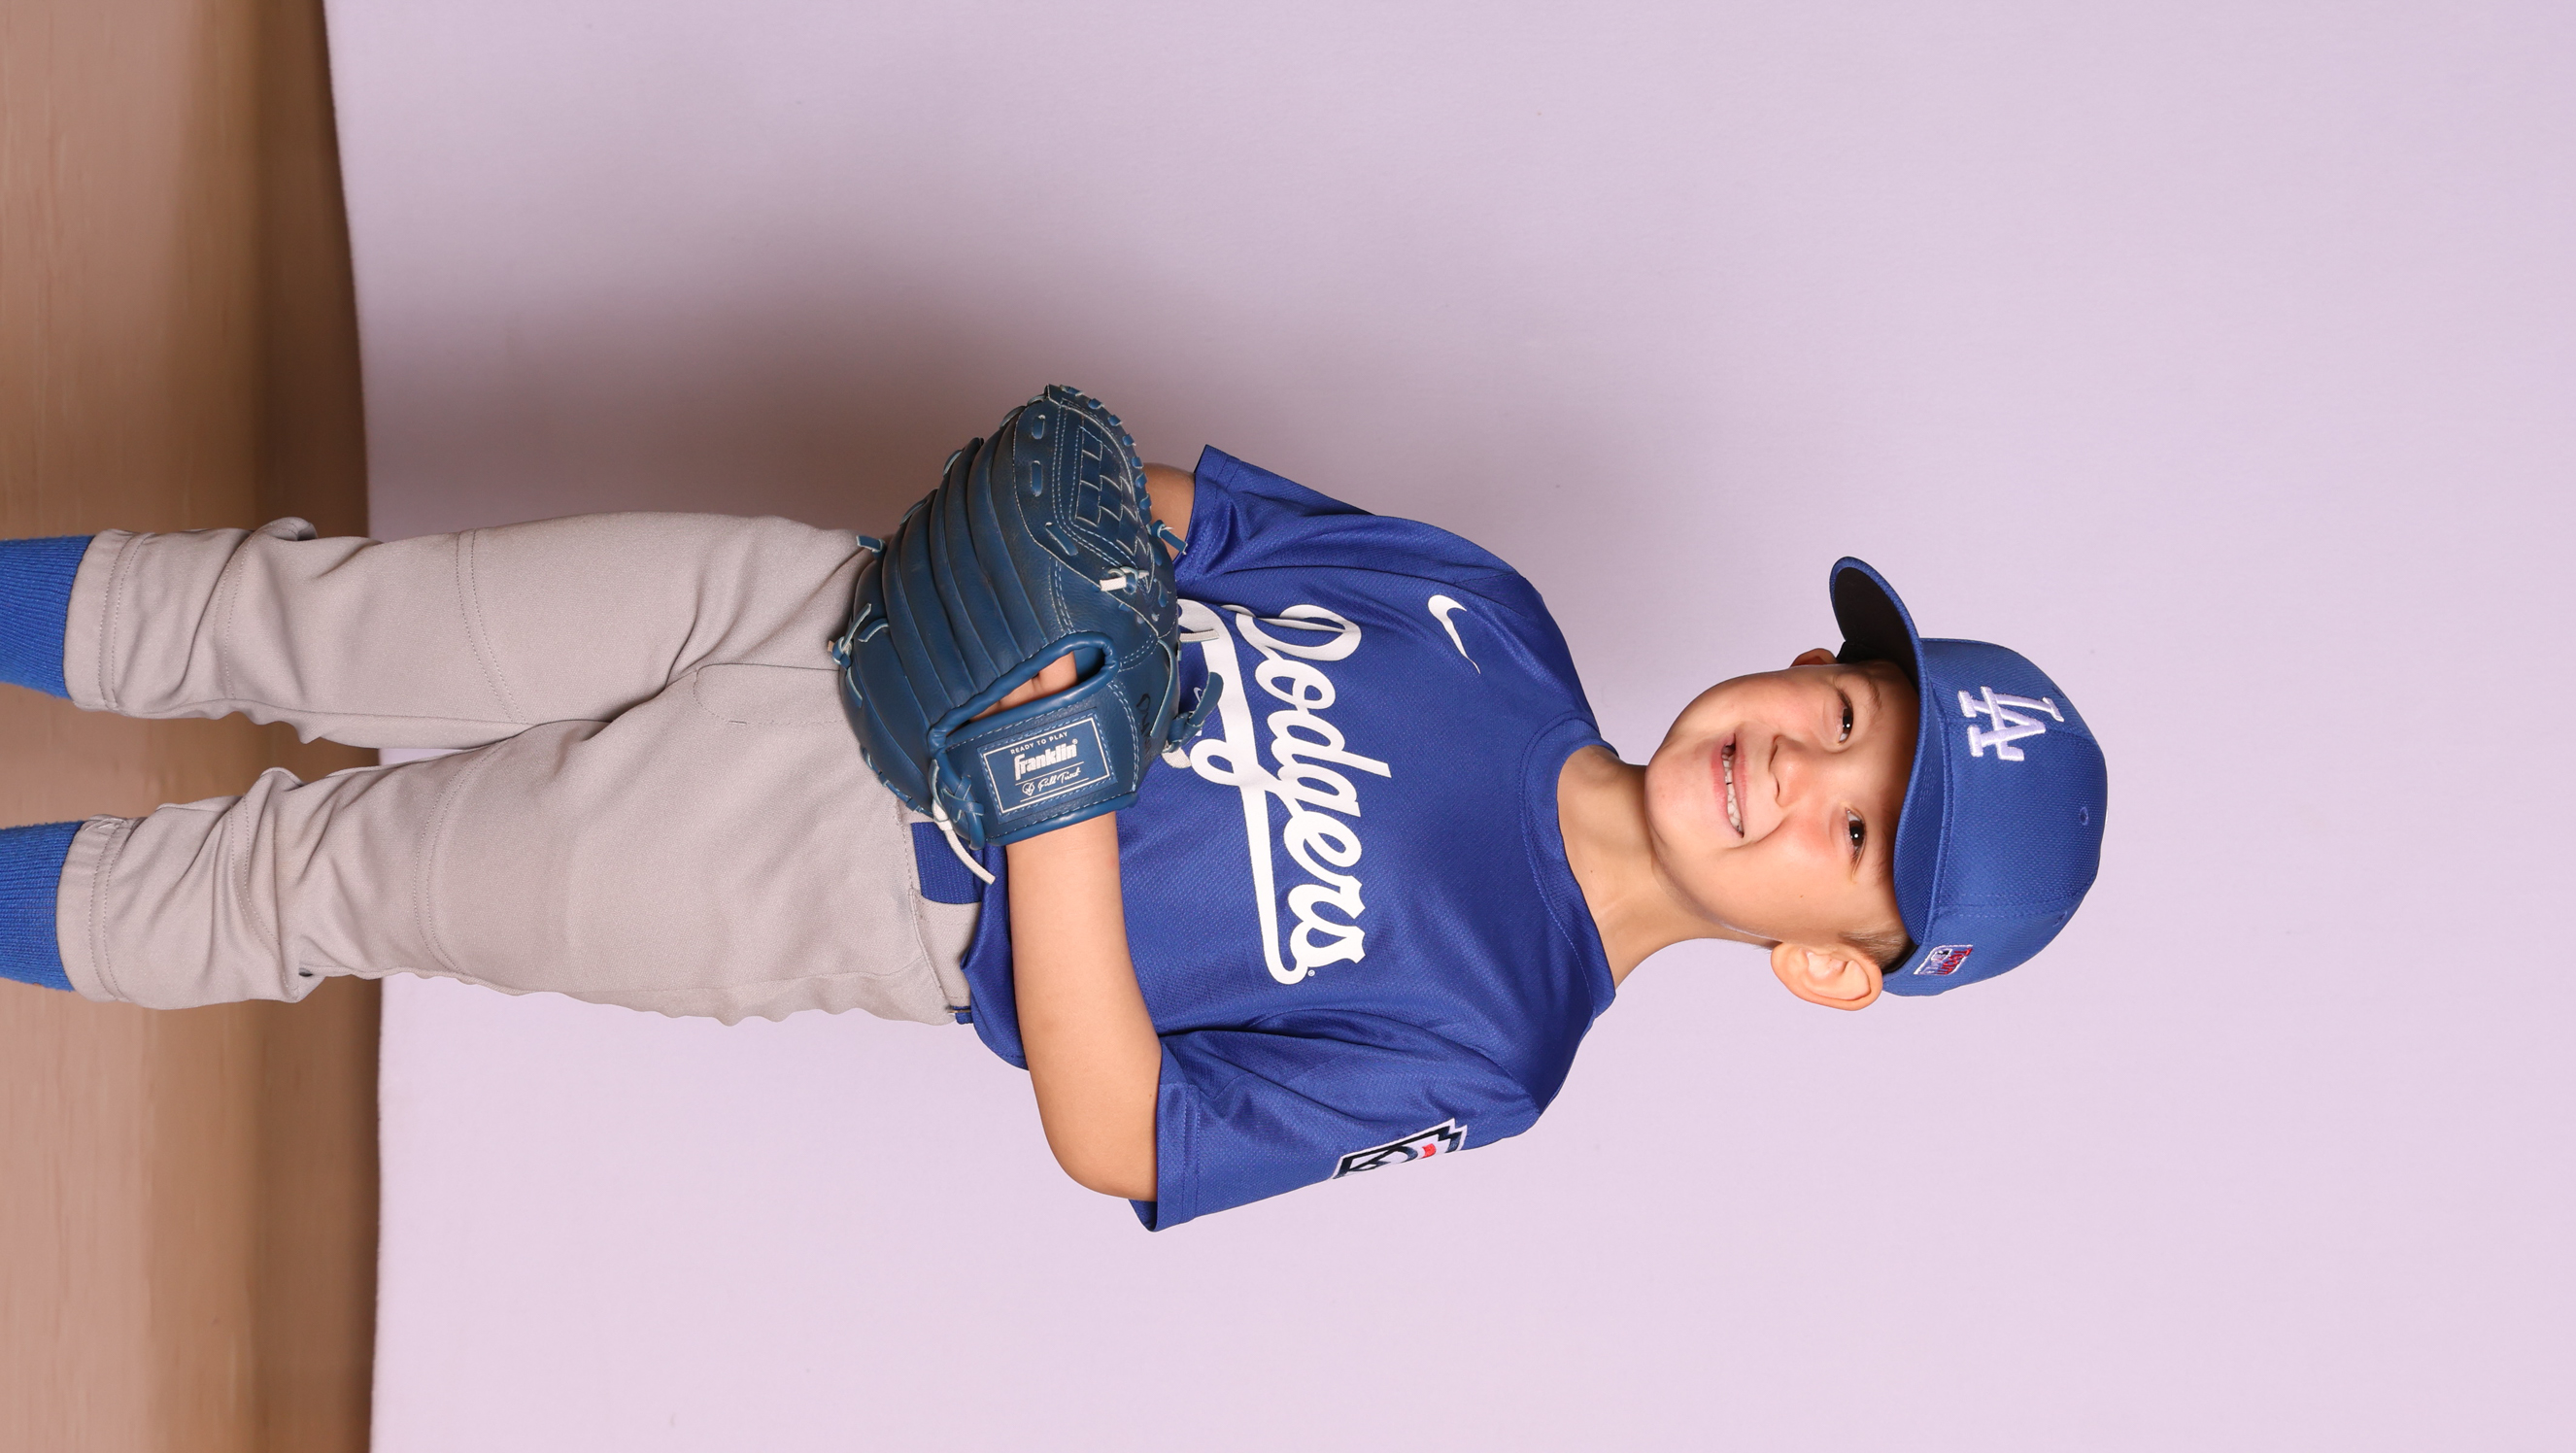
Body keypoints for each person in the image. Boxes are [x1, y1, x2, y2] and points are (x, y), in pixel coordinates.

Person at [0, 429, 2107, 1229]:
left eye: (1856, 839)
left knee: (311, 874)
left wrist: (1056, 790)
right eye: (1846, 715)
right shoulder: (1486, 614)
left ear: (1830, 963)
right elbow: (1172, 518)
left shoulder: (1496, 1045)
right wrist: (1060, 519)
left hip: (837, 881)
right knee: (306, 610)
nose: (1796, 771)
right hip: (819, 608)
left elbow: (1126, 1132)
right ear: (1806, 668)